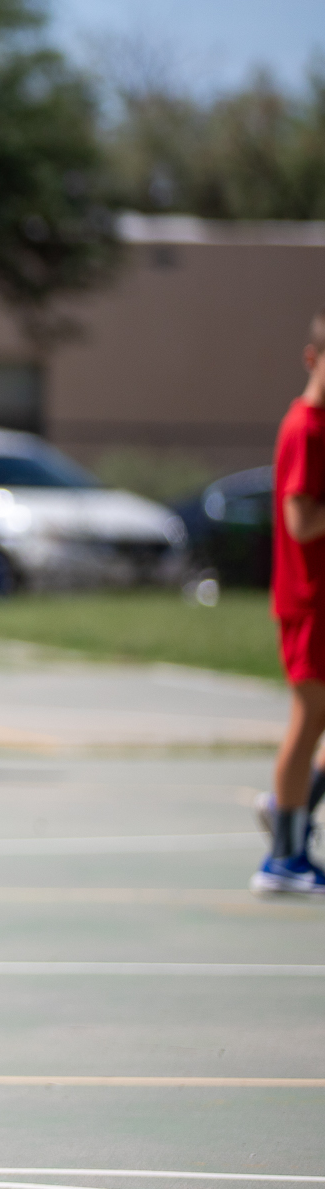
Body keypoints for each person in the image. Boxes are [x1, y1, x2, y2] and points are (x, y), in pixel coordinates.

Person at [255, 310, 325, 894]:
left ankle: (288, 807)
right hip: (308, 601)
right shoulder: (306, 426)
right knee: (307, 725)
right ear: (311, 358)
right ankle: (283, 855)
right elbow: (300, 522)